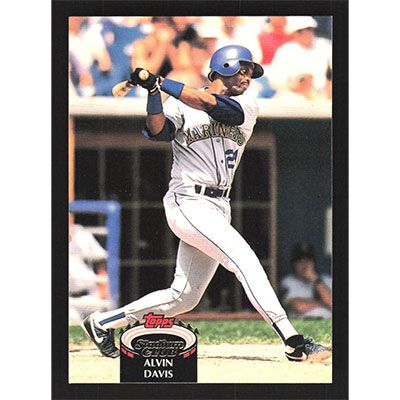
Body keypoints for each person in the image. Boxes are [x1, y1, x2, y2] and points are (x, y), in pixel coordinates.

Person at [82, 45, 331, 362]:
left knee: (184, 297)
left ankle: (103, 322)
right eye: (243, 70)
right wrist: (154, 93)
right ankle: (293, 341)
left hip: (218, 206)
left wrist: (160, 81)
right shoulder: (179, 104)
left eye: (250, 72)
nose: (247, 77)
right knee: (244, 260)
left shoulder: (246, 105)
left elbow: (208, 103)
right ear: (223, 67)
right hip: (187, 201)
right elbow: (158, 131)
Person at [268, 16, 332, 99]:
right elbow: (275, 82)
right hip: (295, 96)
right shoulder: (285, 51)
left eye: (309, 29)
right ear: (293, 33)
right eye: (300, 31)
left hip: (324, 95)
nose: (306, 33)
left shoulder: (326, 46)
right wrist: (295, 86)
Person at [281, 242, 332, 319]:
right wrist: (325, 303)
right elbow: (299, 306)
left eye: (308, 260)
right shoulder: (288, 282)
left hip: (326, 322)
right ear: (294, 264)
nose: (305, 264)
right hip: (303, 322)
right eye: (300, 261)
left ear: (314, 262)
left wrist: (315, 279)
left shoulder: (326, 279)